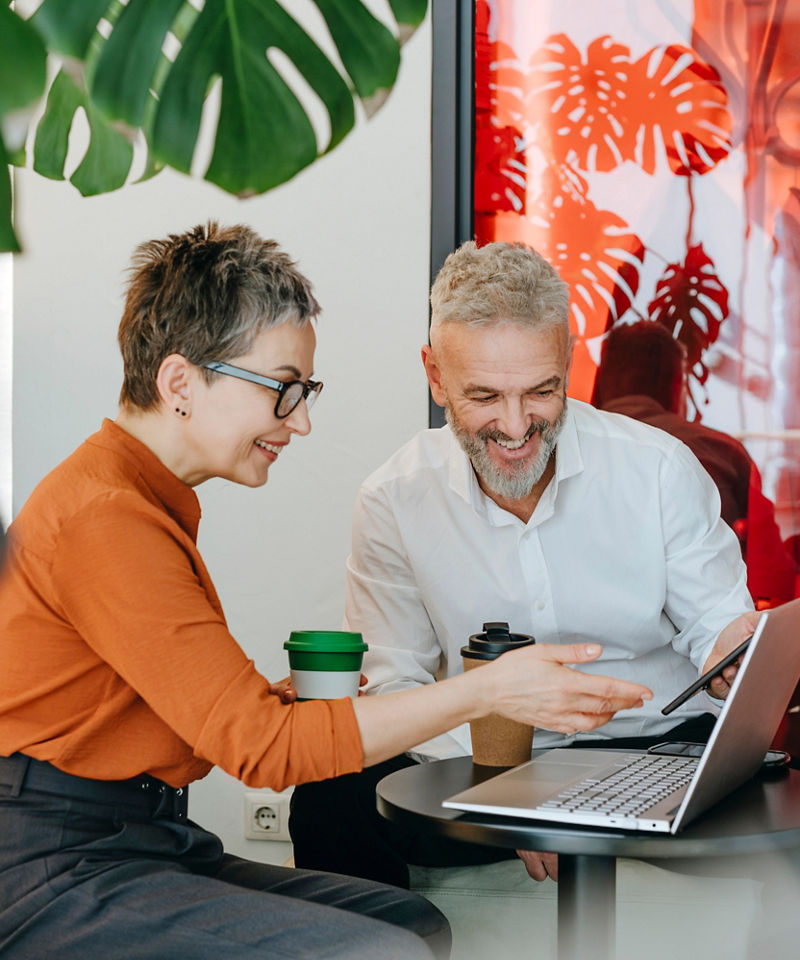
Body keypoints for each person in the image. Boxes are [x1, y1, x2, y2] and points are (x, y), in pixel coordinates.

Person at [0, 224, 654, 959]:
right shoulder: (106, 519)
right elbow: (260, 751)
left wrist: (277, 702)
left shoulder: (140, 500)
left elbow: (183, 712)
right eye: (284, 390)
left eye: (304, 392)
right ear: (180, 383)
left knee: (408, 923)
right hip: (53, 866)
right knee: (382, 952)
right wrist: (487, 693)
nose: (302, 421)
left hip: (142, 837)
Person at [289, 240, 758, 886]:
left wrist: (730, 654)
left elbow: (720, 631)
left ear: (567, 358)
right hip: (479, 763)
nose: (515, 427)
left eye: (541, 390)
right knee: (328, 796)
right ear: (434, 375)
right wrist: (509, 797)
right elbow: (395, 689)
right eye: (483, 396)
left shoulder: (656, 470)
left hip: (653, 749)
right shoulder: (394, 499)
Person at [591, 319, 795, 609]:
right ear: (677, 386)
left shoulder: (560, 451)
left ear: (600, 384)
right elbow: (776, 578)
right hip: (711, 639)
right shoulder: (724, 453)